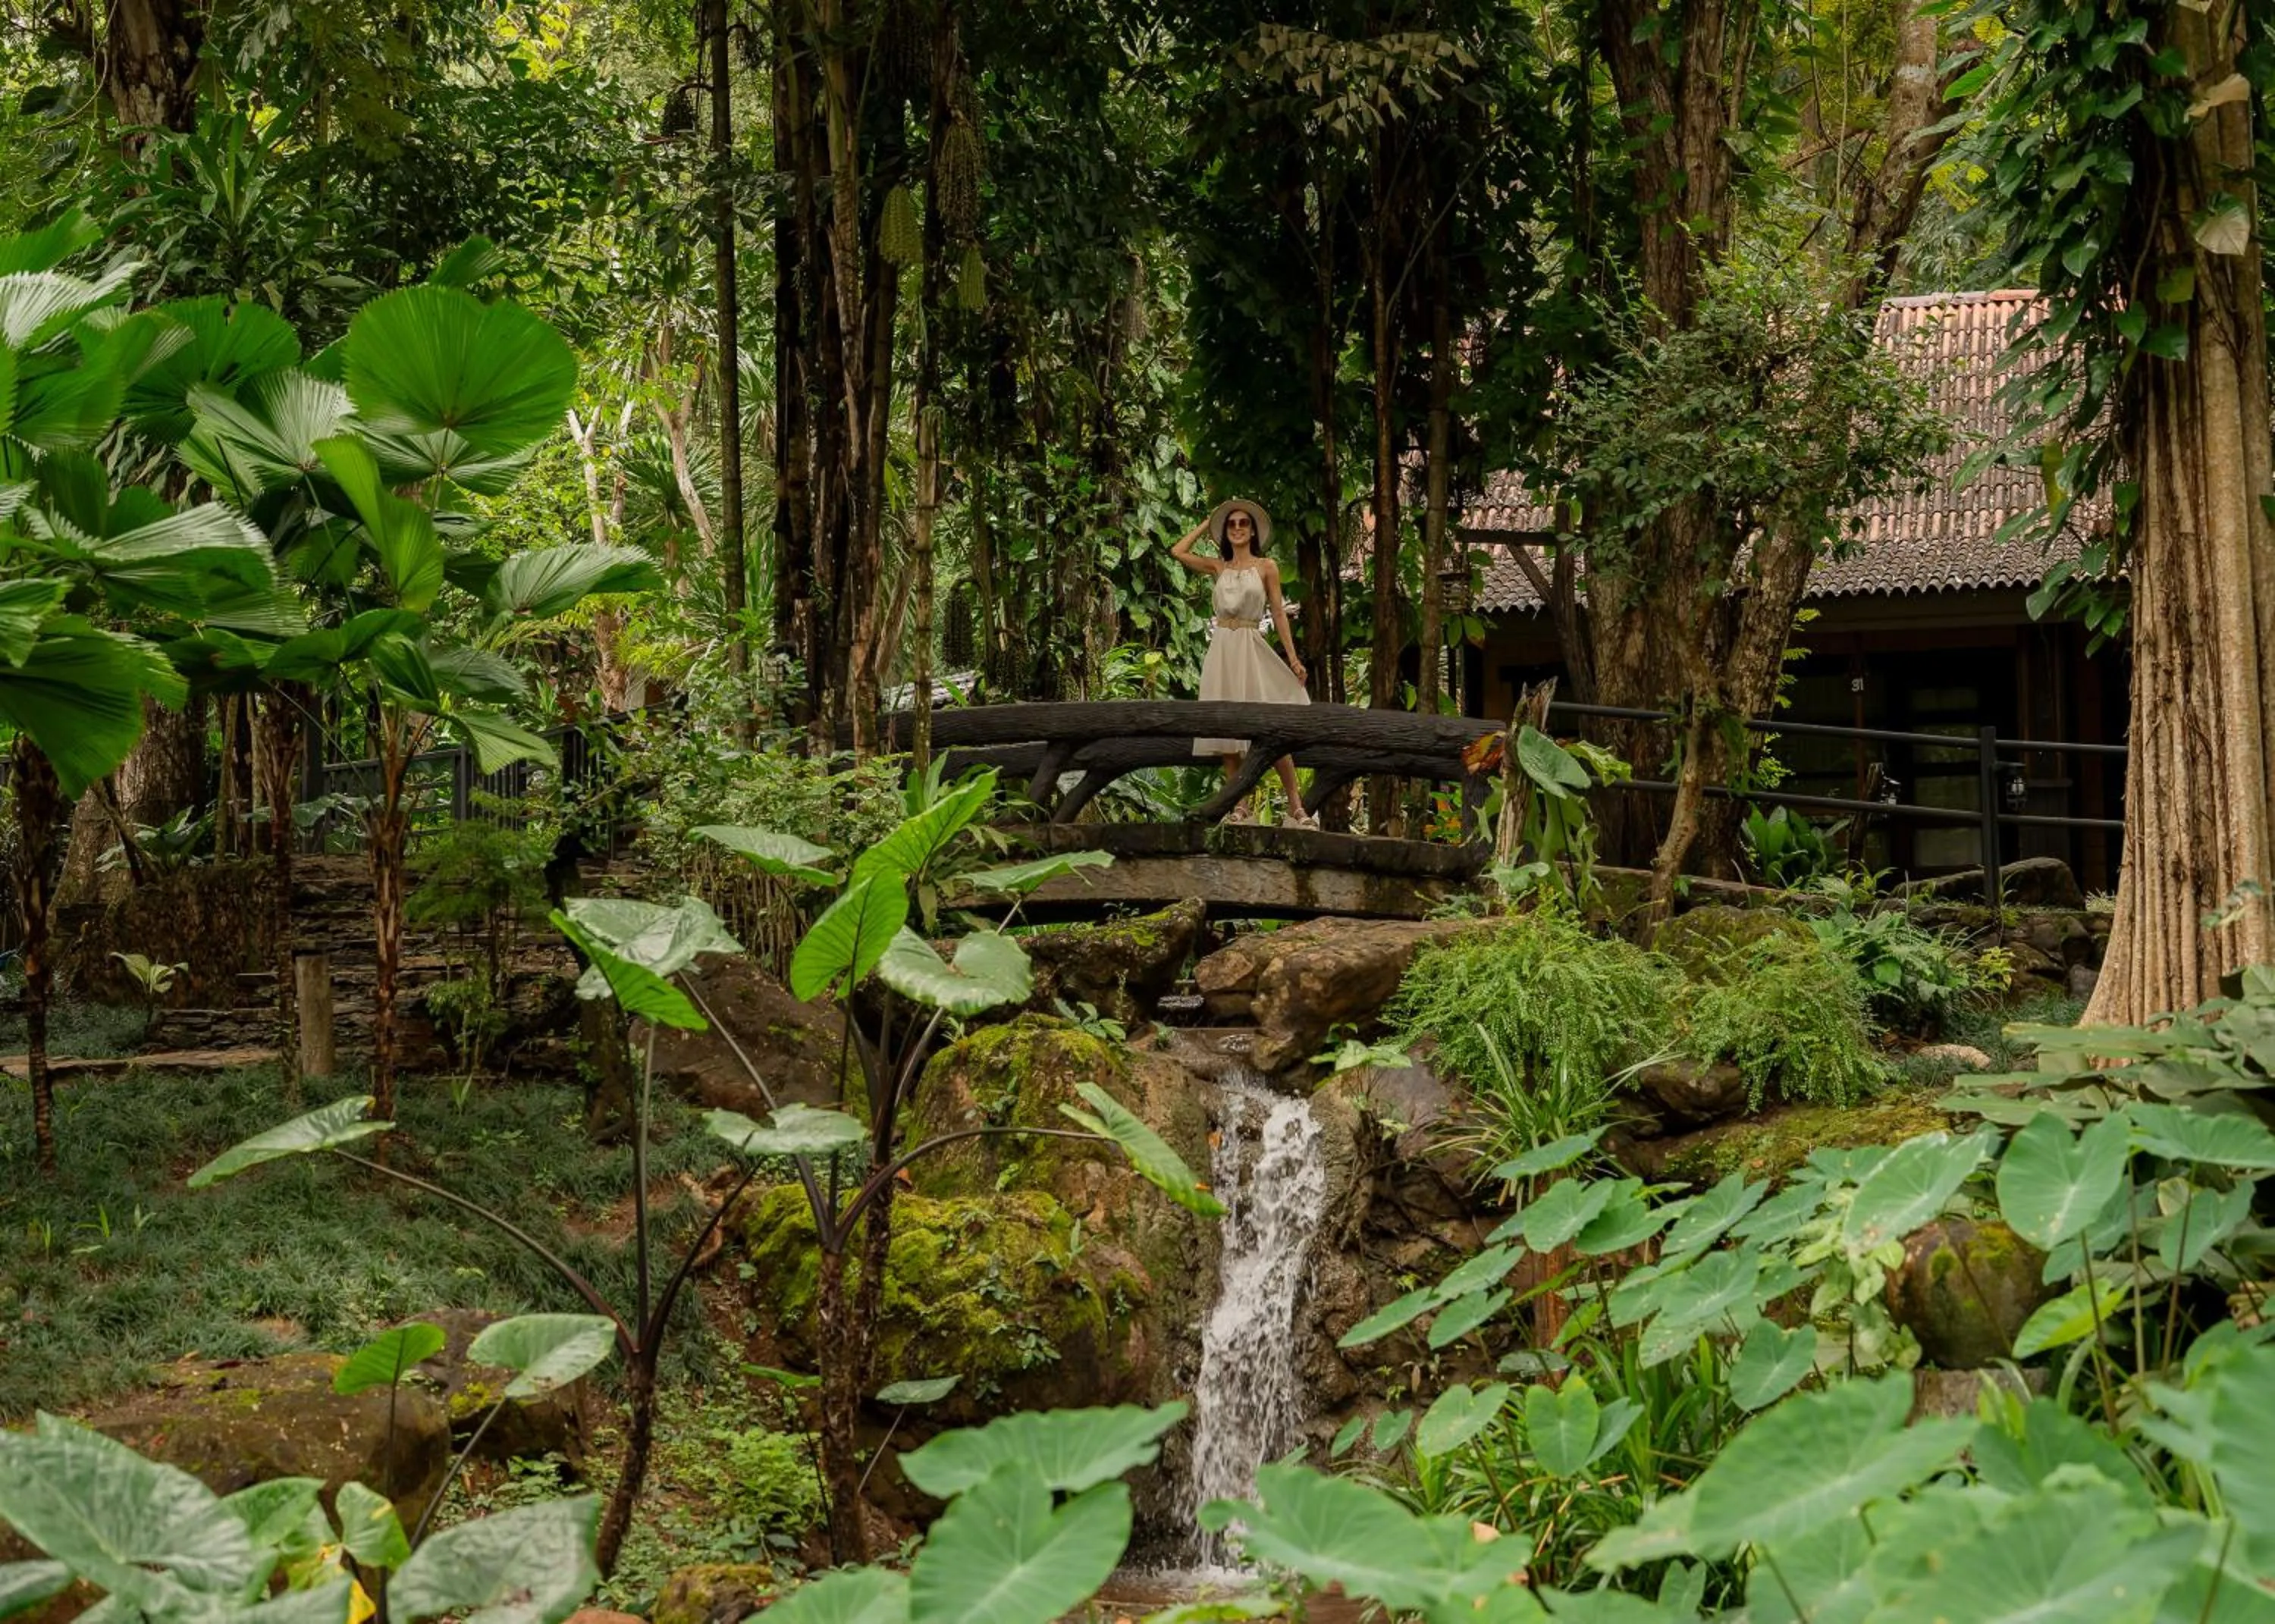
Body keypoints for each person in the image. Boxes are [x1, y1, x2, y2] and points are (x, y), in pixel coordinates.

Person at [1169, 497, 1317, 829]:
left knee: (1271, 726)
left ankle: (1296, 807)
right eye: (1231, 524)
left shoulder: (1266, 566)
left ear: (1252, 532)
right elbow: (1178, 551)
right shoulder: (1219, 567)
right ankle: (1241, 805)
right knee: (1226, 726)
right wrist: (1209, 523)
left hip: (1251, 645)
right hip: (1222, 648)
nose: (1237, 528)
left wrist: (1292, 658)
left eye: (1243, 524)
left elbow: (1278, 611)